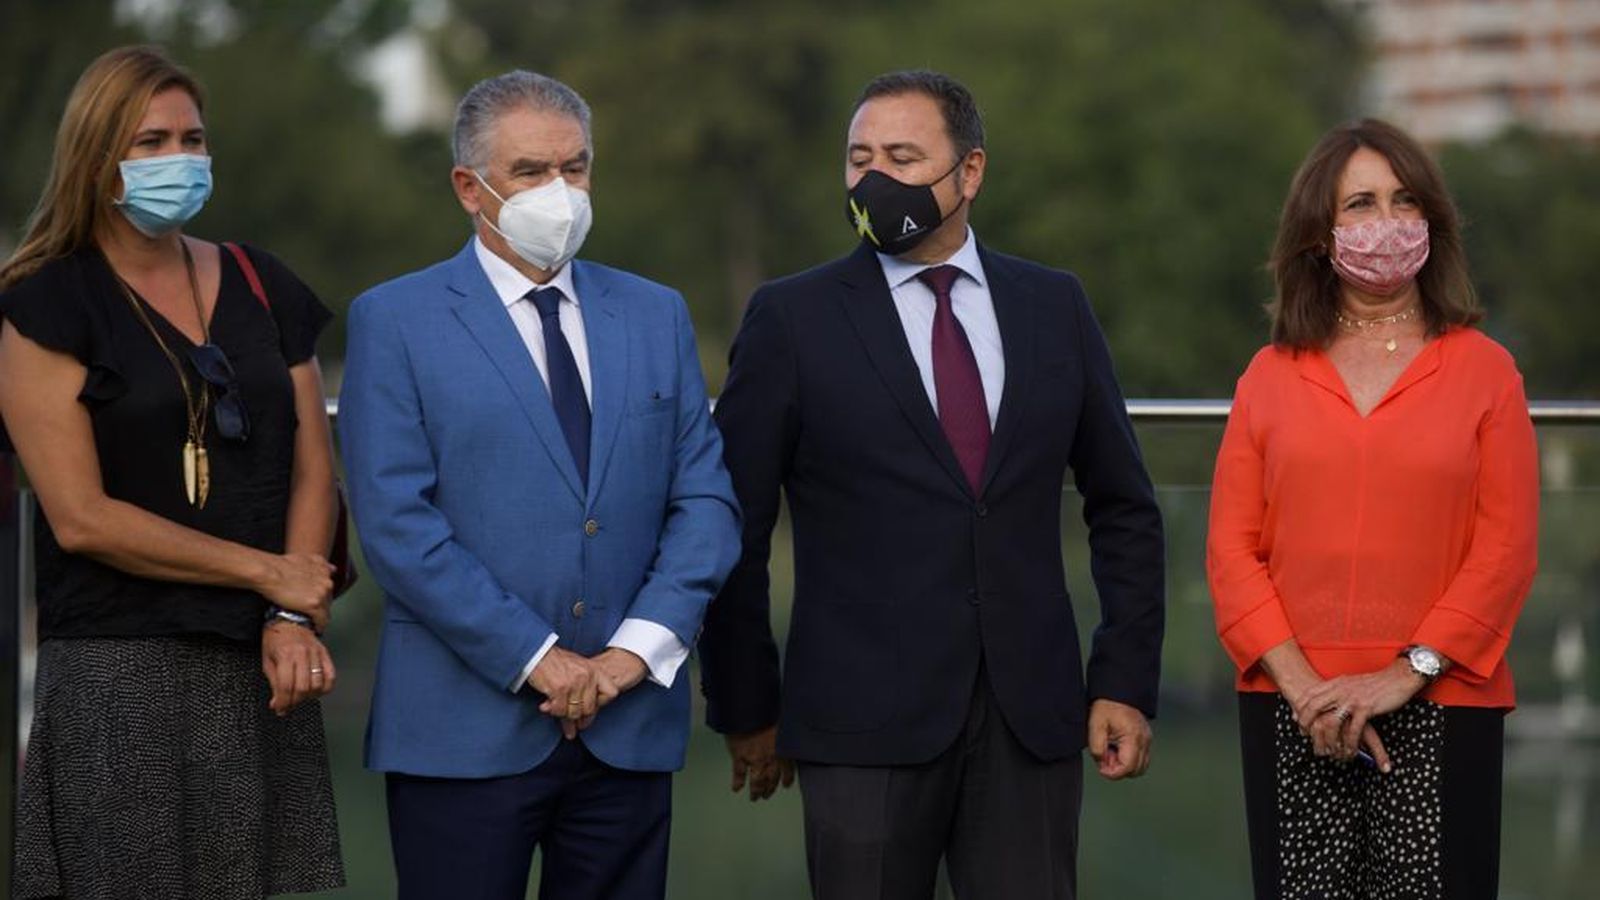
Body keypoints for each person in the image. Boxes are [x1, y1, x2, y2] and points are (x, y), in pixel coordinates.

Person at [699, 69, 1166, 899]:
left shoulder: (1053, 306)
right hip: (857, 725)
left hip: (1032, 720)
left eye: (904, 156)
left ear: (970, 172)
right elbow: (732, 523)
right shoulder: (791, 319)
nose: (874, 178)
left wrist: (1124, 679)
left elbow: (1124, 507)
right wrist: (746, 705)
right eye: (859, 157)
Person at [338, 69, 741, 900]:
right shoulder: (396, 319)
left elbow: (704, 502)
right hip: (461, 732)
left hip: (627, 730)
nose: (559, 191)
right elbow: (398, 525)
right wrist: (541, 661)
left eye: (576, 167)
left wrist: (632, 656)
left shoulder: (655, 311)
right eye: (530, 171)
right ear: (469, 187)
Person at [0, 45, 345, 898]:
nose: (179, 160)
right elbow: (79, 516)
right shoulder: (46, 301)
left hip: (260, 662)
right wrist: (270, 574)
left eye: (193, 138)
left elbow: (312, 461)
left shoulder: (264, 282)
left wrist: (289, 616)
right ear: (99, 158)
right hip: (121, 674)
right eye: (151, 141)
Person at [1206, 118, 1539, 899]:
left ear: (1431, 219)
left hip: (1445, 700)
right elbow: (1229, 550)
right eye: (1358, 203)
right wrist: (1305, 689)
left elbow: (1506, 549)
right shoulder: (1269, 375)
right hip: (1290, 706)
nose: (1383, 222)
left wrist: (1403, 673)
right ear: (1319, 234)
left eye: (1402, 200)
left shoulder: (1487, 373)